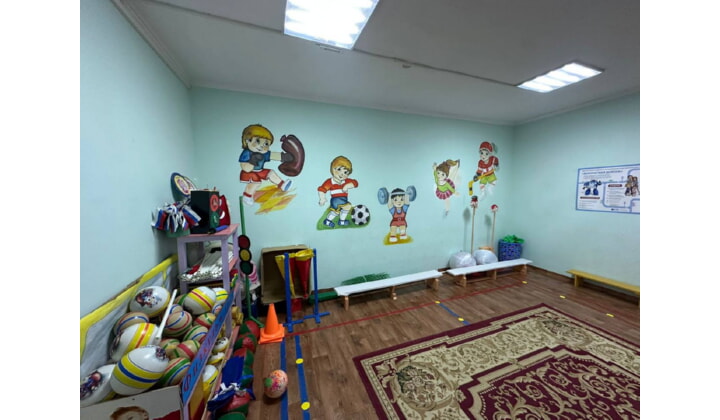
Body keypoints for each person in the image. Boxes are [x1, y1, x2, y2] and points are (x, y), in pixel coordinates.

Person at [238, 124, 294, 206]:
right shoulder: (247, 153)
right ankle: (247, 196)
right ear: (247, 140)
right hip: (249, 172)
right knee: (255, 183)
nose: (261, 146)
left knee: (270, 173)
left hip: (260, 171)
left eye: (266, 144)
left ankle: (282, 184)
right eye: (257, 141)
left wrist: (284, 157)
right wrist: (252, 161)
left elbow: (273, 155)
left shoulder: (264, 153)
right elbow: (245, 167)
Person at [317, 156, 358, 228]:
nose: (342, 174)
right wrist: (322, 198)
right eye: (339, 169)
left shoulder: (346, 181)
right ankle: (329, 221)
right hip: (335, 200)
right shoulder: (330, 182)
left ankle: (340, 221)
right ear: (332, 169)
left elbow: (355, 183)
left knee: (345, 208)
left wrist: (347, 186)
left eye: (345, 172)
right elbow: (322, 189)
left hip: (344, 199)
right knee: (336, 212)